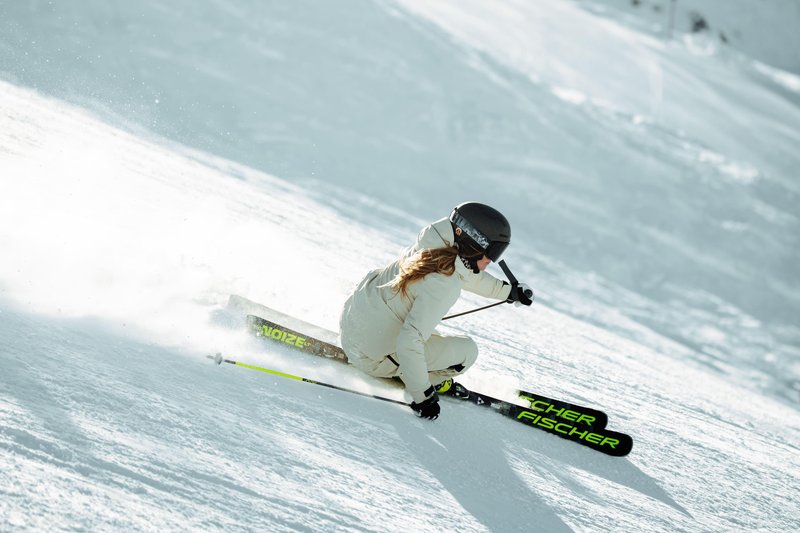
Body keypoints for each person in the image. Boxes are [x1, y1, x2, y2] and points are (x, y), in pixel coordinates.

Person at [338, 202, 533, 421]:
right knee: (467, 352)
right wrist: (422, 396)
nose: (492, 260)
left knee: (423, 328)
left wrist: (508, 292)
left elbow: (464, 274)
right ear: (474, 243)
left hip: (351, 331)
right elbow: (409, 341)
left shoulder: (434, 246)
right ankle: (425, 379)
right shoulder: (444, 283)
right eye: (492, 252)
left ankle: (403, 367)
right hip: (371, 358)